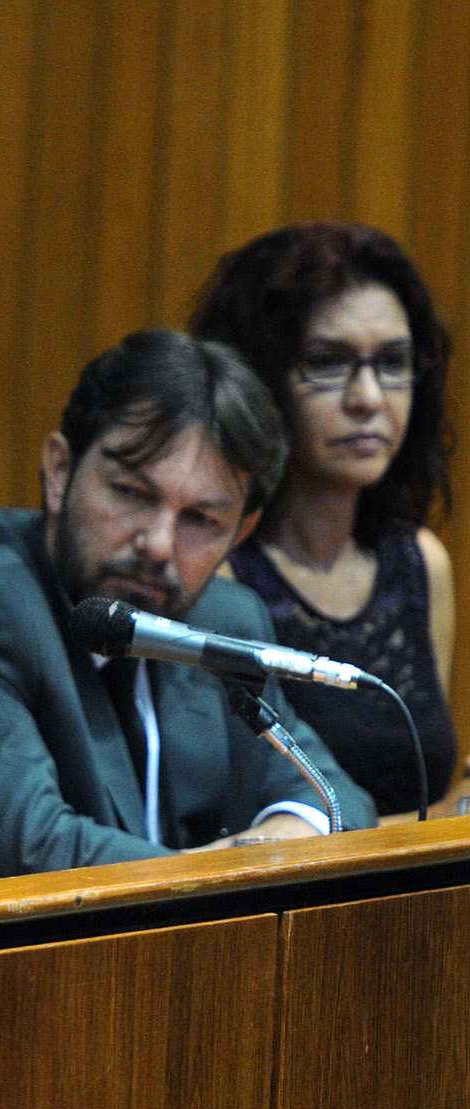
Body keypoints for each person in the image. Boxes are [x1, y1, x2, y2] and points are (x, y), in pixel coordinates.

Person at [0, 330, 376, 877]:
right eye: (130, 493)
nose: (159, 545)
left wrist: (282, 836)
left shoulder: (224, 620)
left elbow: (338, 801)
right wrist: (239, 869)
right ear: (58, 472)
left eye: (201, 519)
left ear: (241, 532)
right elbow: (37, 852)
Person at [190, 222, 458, 817]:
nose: (368, 398)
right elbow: (237, 811)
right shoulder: (218, 579)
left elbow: (428, 790)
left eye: (394, 362)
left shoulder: (420, 564)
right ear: (261, 380)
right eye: (328, 362)